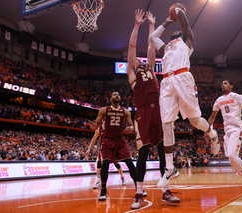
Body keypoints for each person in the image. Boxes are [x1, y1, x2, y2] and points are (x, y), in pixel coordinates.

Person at [149, 3, 218, 188]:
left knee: (195, 122)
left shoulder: (185, 41)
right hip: (166, 82)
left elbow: (186, 27)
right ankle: (170, 168)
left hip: (182, 77)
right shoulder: (166, 48)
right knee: (166, 123)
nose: (172, 34)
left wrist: (179, 12)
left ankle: (212, 133)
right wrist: (166, 21)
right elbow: (152, 37)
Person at [127, 9, 178, 209]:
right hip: (143, 113)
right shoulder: (132, 72)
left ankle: (166, 191)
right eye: (136, 59)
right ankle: (139, 193)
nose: (139, 59)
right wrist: (137, 25)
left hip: (159, 110)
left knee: (163, 153)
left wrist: (150, 25)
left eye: (141, 59)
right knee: (142, 154)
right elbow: (132, 45)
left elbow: (151, 43)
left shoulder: (149, 68)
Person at [205, 79, 242, 195]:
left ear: (231, 86)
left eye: (225, 83)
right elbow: (212, 116)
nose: (223, 85)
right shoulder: (219, 100)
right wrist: (207, 130)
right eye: (222, 83)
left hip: (237, 129)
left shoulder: (237, 96)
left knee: (231, 154)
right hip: (227, 132)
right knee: (231, 160)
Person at [89, 92, 138, 201]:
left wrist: (131, 128)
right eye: (114, 94)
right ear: (110, 99)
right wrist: (95, 126)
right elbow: (97, 121)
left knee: (130, 162)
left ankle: (138, 188)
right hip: (107, 140)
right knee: (105, 163)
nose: (116, 95)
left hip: (120, 140)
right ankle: (103, 190)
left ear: (120, 98)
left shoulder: (126, 112)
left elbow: (130, 125)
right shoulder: (104, 110)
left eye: (118, 94)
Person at [85, 121, 126, 189]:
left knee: (116, 164)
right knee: (99, 163)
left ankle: (122, 177)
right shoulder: (99, 129)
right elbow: (94, 138)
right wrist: (89, 149)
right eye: (104, 120)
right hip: (103, 148)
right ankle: (98, 181)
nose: (104, 121)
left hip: (112, 147)